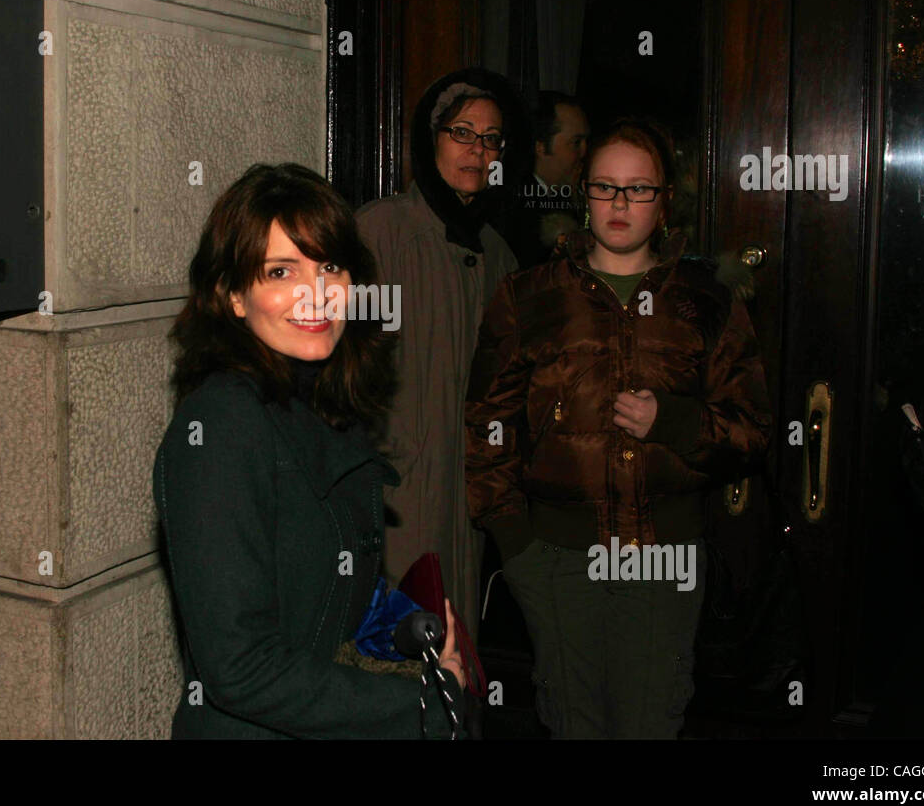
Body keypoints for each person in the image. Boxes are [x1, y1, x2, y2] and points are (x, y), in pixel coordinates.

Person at [465, 118, 771, 738]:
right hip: (556, 558)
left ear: (664, 204)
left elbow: (751, 430)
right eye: (606, 188)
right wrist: (515, 542)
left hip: (663, 558)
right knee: (572, 722)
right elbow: (486, 426)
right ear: (585, 194)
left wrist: (676, 421)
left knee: (647, 723)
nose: (621, 204)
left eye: (639, 190)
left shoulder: (707, 300)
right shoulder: (528, 296)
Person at [154, 162, 466, 739]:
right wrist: (423, 702)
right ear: (232, 296)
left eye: (329, 265)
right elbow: (241, 671)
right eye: (280, 271)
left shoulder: (321, 404)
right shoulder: (221, 426)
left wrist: (397, 626)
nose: (316, 294)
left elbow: (319, 586)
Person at [356, 68, 530, 645]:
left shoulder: (496, 252)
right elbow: (334, 366)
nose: (477, 150)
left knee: (459, 653)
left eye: (491, 138)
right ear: (430, 140)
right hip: (396, 495)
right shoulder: (380, 233)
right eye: (462, 132)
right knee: (399, 652)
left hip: (465, 497)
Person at [505, 92, 590, 267]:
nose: (584, 152)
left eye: (585, 142)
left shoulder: (568, 197)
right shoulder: (513, 208)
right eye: (576, 142)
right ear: (541, 147)